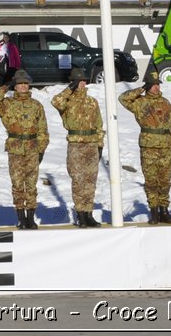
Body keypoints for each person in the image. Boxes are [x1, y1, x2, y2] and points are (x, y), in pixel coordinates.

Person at [0, 69, 49, 228]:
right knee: (17, 183)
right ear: (15, 86)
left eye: (25, 84)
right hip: (15, 148)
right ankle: (21, 217)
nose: (23, 86)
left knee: (31, 184)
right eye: (19, 84)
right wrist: (5, 87)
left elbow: (43, 129)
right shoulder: (7, 104)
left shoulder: (36, 105)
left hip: (32, 148)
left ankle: (31, 217)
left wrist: (41, 149)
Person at [119, 69, 171, 223]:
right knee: (151, 180)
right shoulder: (140, 102)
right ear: (147, 86)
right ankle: (154, 211)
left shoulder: (165, 103)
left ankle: (164, 210)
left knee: (165, 180)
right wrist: (141, 90)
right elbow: (123, 98)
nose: (157, 87)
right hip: (149, 146)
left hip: (165, 146)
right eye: (153, 85)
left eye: (158, 84)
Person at [52, 66, 104, 227]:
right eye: (78, 81)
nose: (82, 84)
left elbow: (98, 124)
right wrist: (69, 89)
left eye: (83, 81)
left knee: (90, 180)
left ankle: (89, 213)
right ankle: (80, 214)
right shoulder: (67, 100)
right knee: (78, 180)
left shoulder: (92, 101)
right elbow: (55, 101)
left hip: (91, 143)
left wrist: (100, 144)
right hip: (76, 144)